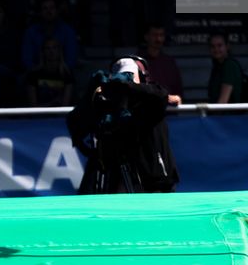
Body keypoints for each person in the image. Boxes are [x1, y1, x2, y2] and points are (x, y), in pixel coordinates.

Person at [69, 55, 179, 194]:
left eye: (132, 74)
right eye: (124, 74)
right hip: (121, 172)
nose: (129, 77)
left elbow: (160, 95)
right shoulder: (107, 99)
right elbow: (75, 120)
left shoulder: (152, 97)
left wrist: (126, 86)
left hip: (157, 176)